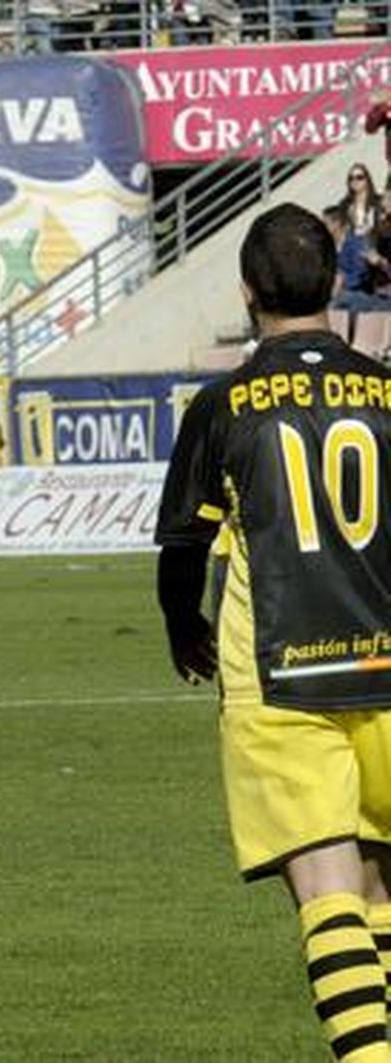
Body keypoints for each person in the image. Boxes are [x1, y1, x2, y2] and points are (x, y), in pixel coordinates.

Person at [155, 203, 391, 1063]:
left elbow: (183, 543)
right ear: (336, 281)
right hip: (387, 663)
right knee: (379, 886)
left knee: (328, 891)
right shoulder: (388, 393)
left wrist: (185, 623)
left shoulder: (225, 404)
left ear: (248, 289)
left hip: (284, 668)